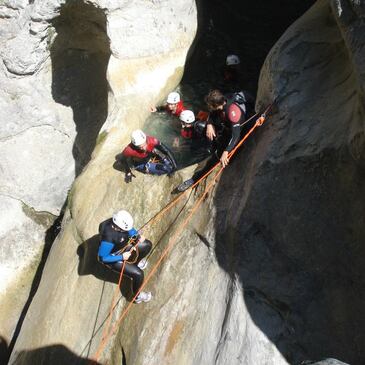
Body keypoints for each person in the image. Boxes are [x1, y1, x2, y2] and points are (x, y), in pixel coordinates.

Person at [173, 89, 255, 193]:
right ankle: (195, 178)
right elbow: (212, 114)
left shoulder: (233, 112)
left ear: (216, 104)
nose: (209, 107)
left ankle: (195, 179)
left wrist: (226, 151)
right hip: (226, 125)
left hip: (238, 127)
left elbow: (235, 136)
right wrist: (210, 125)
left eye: (210, 105)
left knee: (220, 158)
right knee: (204, 129)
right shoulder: (221, 102)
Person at [98, 210, 152, 303]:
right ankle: (137, 296)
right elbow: (103, 258)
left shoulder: (118, 223)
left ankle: (136, 263)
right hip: (113, 258)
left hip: (121, 247)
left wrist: (137, 236)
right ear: (118, 228)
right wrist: (121, 257)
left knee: (147, 244)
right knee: (138, 274)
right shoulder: (108, 238)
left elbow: (130, 230)